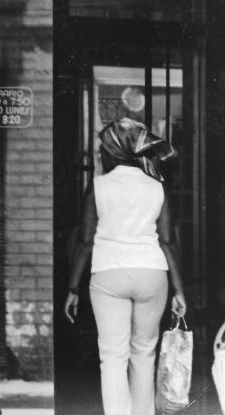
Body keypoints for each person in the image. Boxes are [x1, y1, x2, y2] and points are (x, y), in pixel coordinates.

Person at [64, 117, 187, 415]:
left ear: (114, 152)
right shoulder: (156, 187)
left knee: (113, 357)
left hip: (109, 276)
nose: (100, 155)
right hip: (151, 274)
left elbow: (84, 241)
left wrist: (72, 288)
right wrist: (179, 290)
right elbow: (168, 241)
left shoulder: (98, 187)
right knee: (144, 354)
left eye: (102, 150)